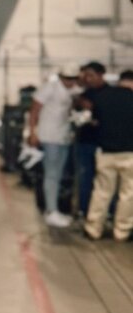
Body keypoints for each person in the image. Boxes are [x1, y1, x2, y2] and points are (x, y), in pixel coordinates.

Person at [27, 66, 79, 228]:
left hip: (63, 136)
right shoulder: (49, 88)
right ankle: (51, 210)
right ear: (61, 76)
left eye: (73, 79)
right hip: (49, 136)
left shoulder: (74, 91)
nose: (70, 82)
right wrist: (32, 132)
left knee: (58, 175)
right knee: (51, 174)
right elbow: (34, 111)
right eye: (67, 79)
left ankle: (53, 208)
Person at [83, 78, 133, 241]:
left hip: (106, 152)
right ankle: (121, 231)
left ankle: (93, 228)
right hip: (130, 153)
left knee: (102, 192)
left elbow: (94, 121)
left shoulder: (102, 98)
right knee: (128, 194)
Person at [74, 61, 107, 217]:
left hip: (104, 144)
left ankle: (107, 211)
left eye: (91, 75)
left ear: (101, 75)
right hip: (85, 143)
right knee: (85, 177)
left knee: (105, 181)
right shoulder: (84, 95)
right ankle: (84, 209)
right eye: (85, 75)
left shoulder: (110, 94)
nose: (88, 79)